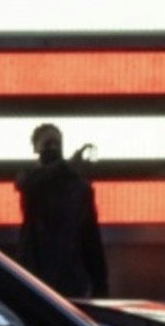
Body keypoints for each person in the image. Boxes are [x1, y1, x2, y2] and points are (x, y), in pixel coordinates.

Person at [13, 123, 106, 300]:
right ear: (36, 148)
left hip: (65, 279)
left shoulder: (79, 188)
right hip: (42, 276)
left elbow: (90, 238)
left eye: (56, 144)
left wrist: (100, 283)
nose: (53, 149)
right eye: (48, 144)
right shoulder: (33, 182)